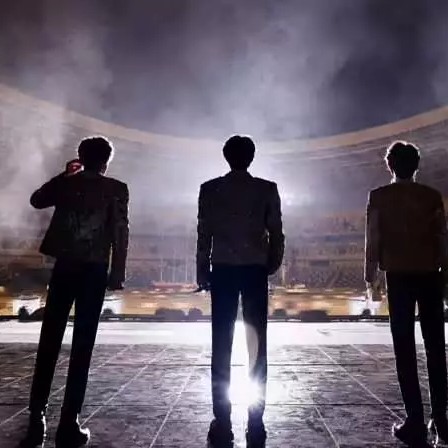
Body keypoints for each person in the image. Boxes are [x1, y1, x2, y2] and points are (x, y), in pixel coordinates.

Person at [21, 136, 129, 448]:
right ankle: (69, 422)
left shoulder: (68, 184)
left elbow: (37, 200)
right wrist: (118, 272)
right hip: (94, 270)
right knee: (83, 346)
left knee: (49, 341)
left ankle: (37, 417)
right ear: (106, 162)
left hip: (65, 266)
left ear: (80, 157)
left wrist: (64, 175)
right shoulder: (116, 189)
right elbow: (120, 232)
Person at [196, 135, 284, 447]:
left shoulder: (210, 189)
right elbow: (277, 232)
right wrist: (271, 264)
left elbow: (203, 234)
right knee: (257, 346)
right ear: (251, 157)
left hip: (222, 268)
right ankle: (256, 422)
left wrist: (202, 271)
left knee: (221, 345)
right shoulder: (267, 188)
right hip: (254, 269)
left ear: (226, 157)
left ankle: (222, 422)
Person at [365, 141, 448, 447]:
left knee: (405, 350)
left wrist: (370, 278)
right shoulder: (431, 196)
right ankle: (441, 420)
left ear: (390, 166)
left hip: (398, 277)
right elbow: (443, 240)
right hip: (430, 275)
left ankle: (414, 420)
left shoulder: (378, 197)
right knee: (436, 349)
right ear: (417, 165)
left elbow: (373, 238)